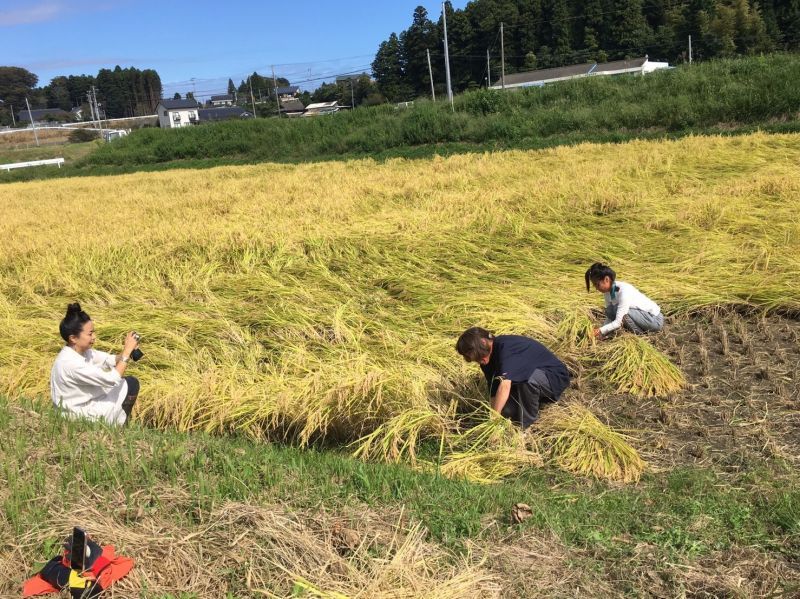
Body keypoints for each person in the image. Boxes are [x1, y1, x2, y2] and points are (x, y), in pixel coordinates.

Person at [456, 327, 570, 429]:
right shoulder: (486, 362)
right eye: (475, 359)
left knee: (526, 379)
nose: (480, 361)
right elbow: (494, 390)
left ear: (484, 343)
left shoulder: (506, 348)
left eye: (479, 356)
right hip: (528, 380)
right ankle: (532, 403)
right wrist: (494, 414)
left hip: (554, 377)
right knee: (506, 411)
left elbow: (505, 386)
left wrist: (493, 421)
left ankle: (526, 425)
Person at [50, 303, 141, 426]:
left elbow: (109, 360)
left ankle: (119, 419)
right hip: (78, 417)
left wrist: (128, 351)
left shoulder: (80, 352)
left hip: (81, 407)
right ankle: (120, 423)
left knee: (124, 382)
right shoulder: (71, 364)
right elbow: (112, 379)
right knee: (131, 383)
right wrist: (126, 352)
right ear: (73, 338)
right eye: (90, 334)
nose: (94, 337)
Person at [585, 262, 664, 339]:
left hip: (654, 319)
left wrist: (601, 330)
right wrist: (602, 332)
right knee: (610, 310)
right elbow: (610, 316)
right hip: (641, 317)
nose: (596, 288)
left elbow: (618, 321)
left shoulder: (623, 290)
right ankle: (634, 330)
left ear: (606, 279)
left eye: (597, 284)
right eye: (594, 285)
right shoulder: (607, 293)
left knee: (622, 314)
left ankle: (640, 335)